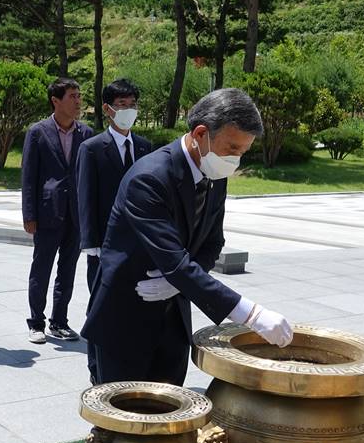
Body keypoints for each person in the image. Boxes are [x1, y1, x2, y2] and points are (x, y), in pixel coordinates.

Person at [82, 88, 294, 390]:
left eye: (243, 152)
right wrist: (252, 314)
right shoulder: (150, 179)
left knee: (168, 418)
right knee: (122, 423)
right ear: (201, 134)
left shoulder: (214, 174)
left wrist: (175, 283)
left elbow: (212, 243)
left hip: (173, 322)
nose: (235, 159)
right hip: (126, 322)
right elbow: (175, 262)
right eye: (232, 148)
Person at [20, 78, 93, 344]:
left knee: (68, 270)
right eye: (72, 96)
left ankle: (59, 321)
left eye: (79, 95)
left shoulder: (86, 133)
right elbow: (29, 177)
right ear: (56, 100)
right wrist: (29, 215)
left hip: (76, 215)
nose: (78, 101)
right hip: (47, 213)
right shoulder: (38, 132)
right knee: (41, 269)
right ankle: (36, 322)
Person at [77, 79, 151, 292]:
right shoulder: (91, 149)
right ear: (107, 109)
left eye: (133, 104)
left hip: (139, 238)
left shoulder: (145, 147)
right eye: (121, 104)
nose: (128, 109)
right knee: (102, 297)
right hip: (106, 239)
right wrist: (90, 241)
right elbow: (86, 196)